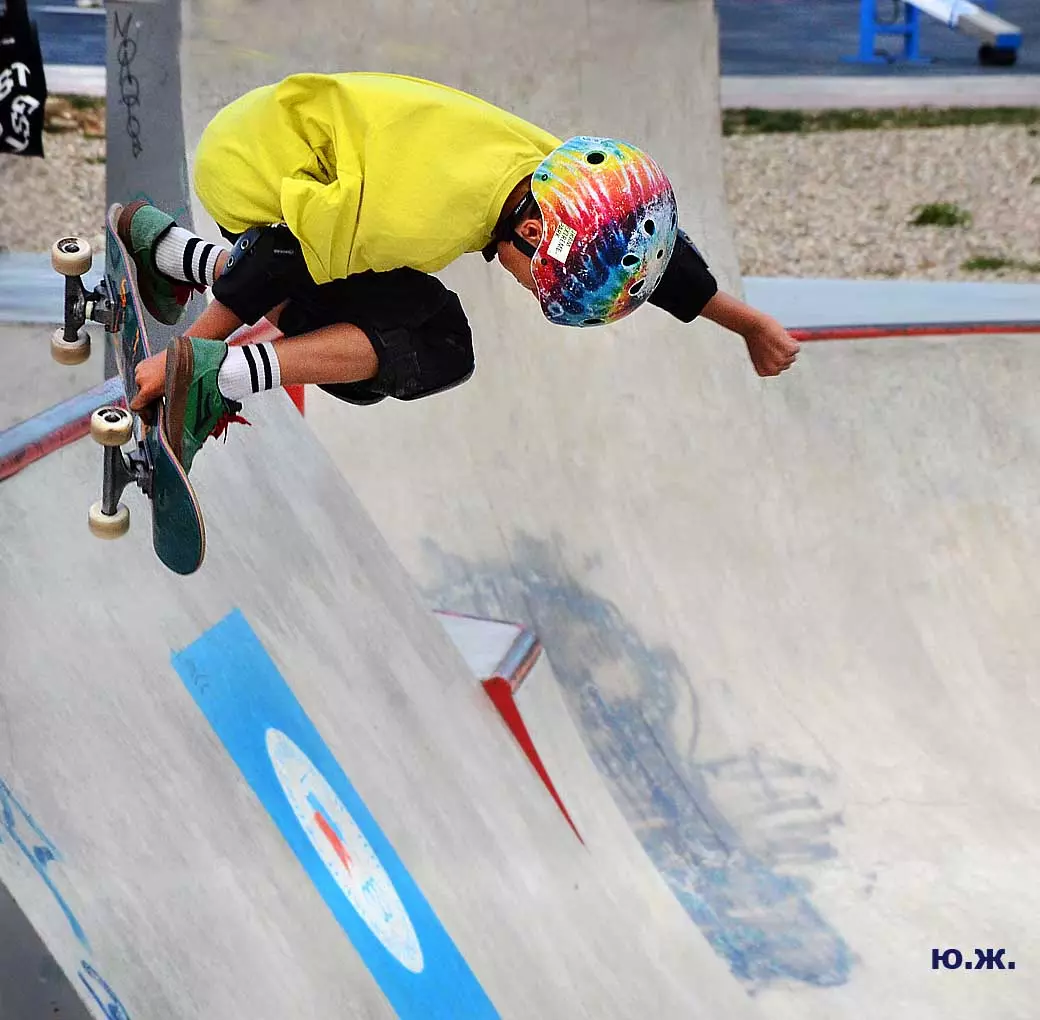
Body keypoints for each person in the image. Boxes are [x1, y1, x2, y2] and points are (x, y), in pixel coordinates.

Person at [123, 71, 800, 471]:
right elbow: (283, 254)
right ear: (532, 235)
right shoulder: (418, 215)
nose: (532, 290)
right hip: (254, 178)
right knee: (428, 343)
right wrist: (192, 362)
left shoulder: (553, 174)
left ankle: (172, 255)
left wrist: (746, 323)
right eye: (545, 283)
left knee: (357, 339)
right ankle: (214, 372)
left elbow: (639, 244)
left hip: (272, 136)